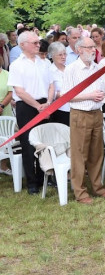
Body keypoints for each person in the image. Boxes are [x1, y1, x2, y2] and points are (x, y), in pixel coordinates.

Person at [63, 37, 105, 204]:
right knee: (80, 154)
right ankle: (80, 192)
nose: (93, 50)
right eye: (89, 47)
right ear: (79, 49)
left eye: (94, 47)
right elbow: (66, 96)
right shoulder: (71, 69)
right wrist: (90, 96)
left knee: (97, 153)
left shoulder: (96, 67)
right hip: (80, 114)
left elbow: (101, 88)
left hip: (97, 112)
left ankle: (98, 187)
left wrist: (99, 95)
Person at [8, 31, 54, 194]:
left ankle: (44, 177)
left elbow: (51, 85)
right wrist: (37, 106)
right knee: (28, 144)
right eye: (34, 43)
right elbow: (19, 91)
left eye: (38, 42)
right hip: (26, 107)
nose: (38, 45)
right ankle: (32, 182)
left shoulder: (45, 63)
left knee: (44, 142)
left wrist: (48, 103)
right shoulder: (16, 65)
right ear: (22, 45)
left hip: (45, 104)